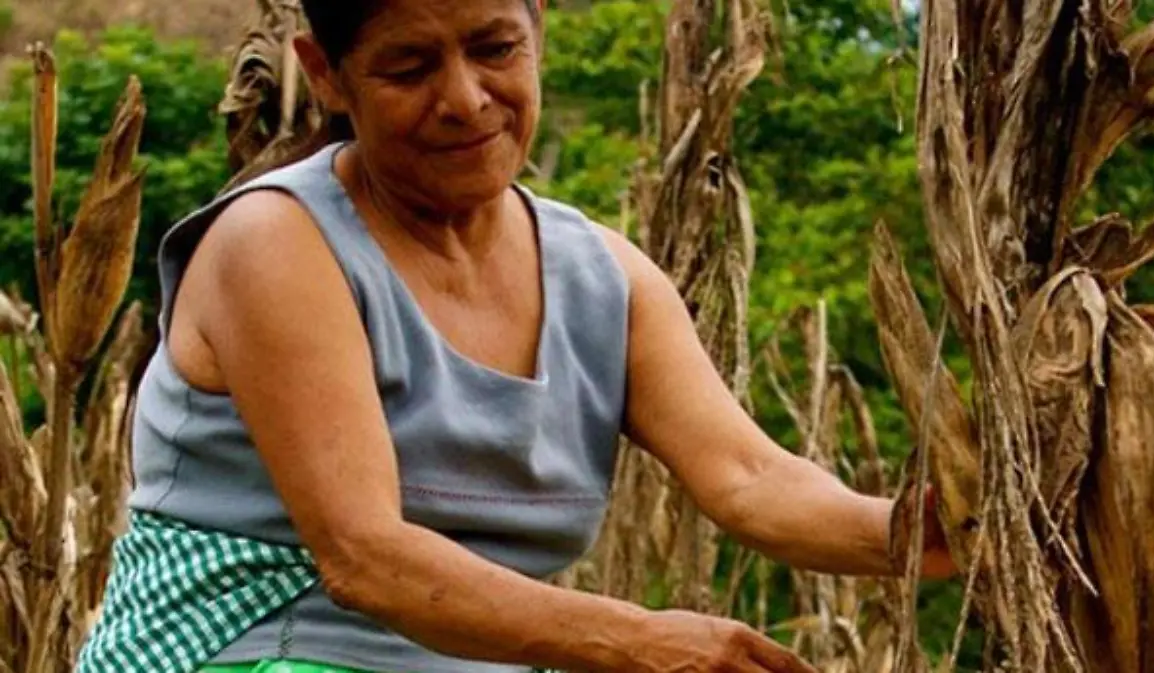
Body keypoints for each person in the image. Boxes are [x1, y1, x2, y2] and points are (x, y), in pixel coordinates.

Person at [77, 1, 954, 671]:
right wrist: (646, 641)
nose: (464, 100)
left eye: (495, 48)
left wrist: (925, 532)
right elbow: (365, 557)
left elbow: (751, 478)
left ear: (539, 30)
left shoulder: (600, 276)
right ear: (328, 74)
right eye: (409, 67)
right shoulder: (277, 244)